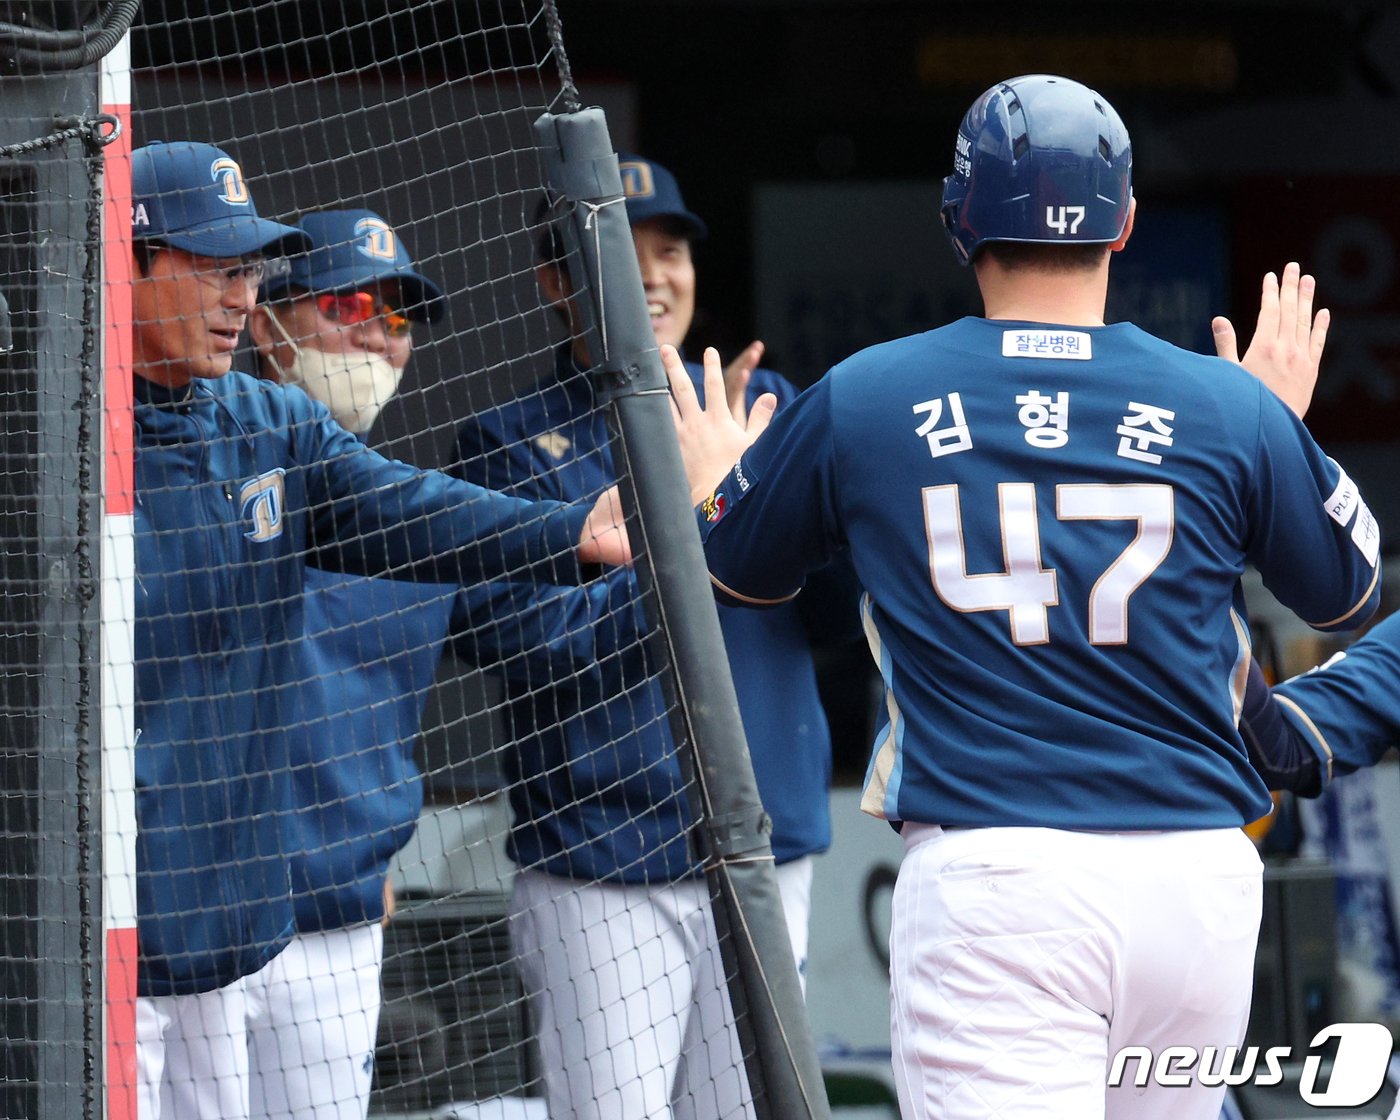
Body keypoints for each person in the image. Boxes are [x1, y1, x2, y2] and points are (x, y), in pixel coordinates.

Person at [664, 73, 1382, 1120]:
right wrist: (1272, 428)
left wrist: (707, 482)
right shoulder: (1224, 404)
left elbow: (730, 572)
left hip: (998, 881)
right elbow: (1345, 595)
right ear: (1124, 221)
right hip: (1194, 886)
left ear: (958, 220)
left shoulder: (867, 392)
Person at [130, 141, 630, 1120]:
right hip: (107, 924)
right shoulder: (54, 425)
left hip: (251, 927)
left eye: (249, 268)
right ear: (134, 257)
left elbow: (419, 510)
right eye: (215, 266)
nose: (238, 292)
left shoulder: (273, 427)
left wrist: (574, 527)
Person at [446, 154, 833, 1119]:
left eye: (672, 250)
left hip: (767, 846)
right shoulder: (505, 440)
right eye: (621, 249)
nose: (655, 274)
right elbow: (519, 641)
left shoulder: (764, 407)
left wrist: (768, 492)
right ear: (554, 281)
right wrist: (707, 516)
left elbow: (843, 621)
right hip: (602, 858)